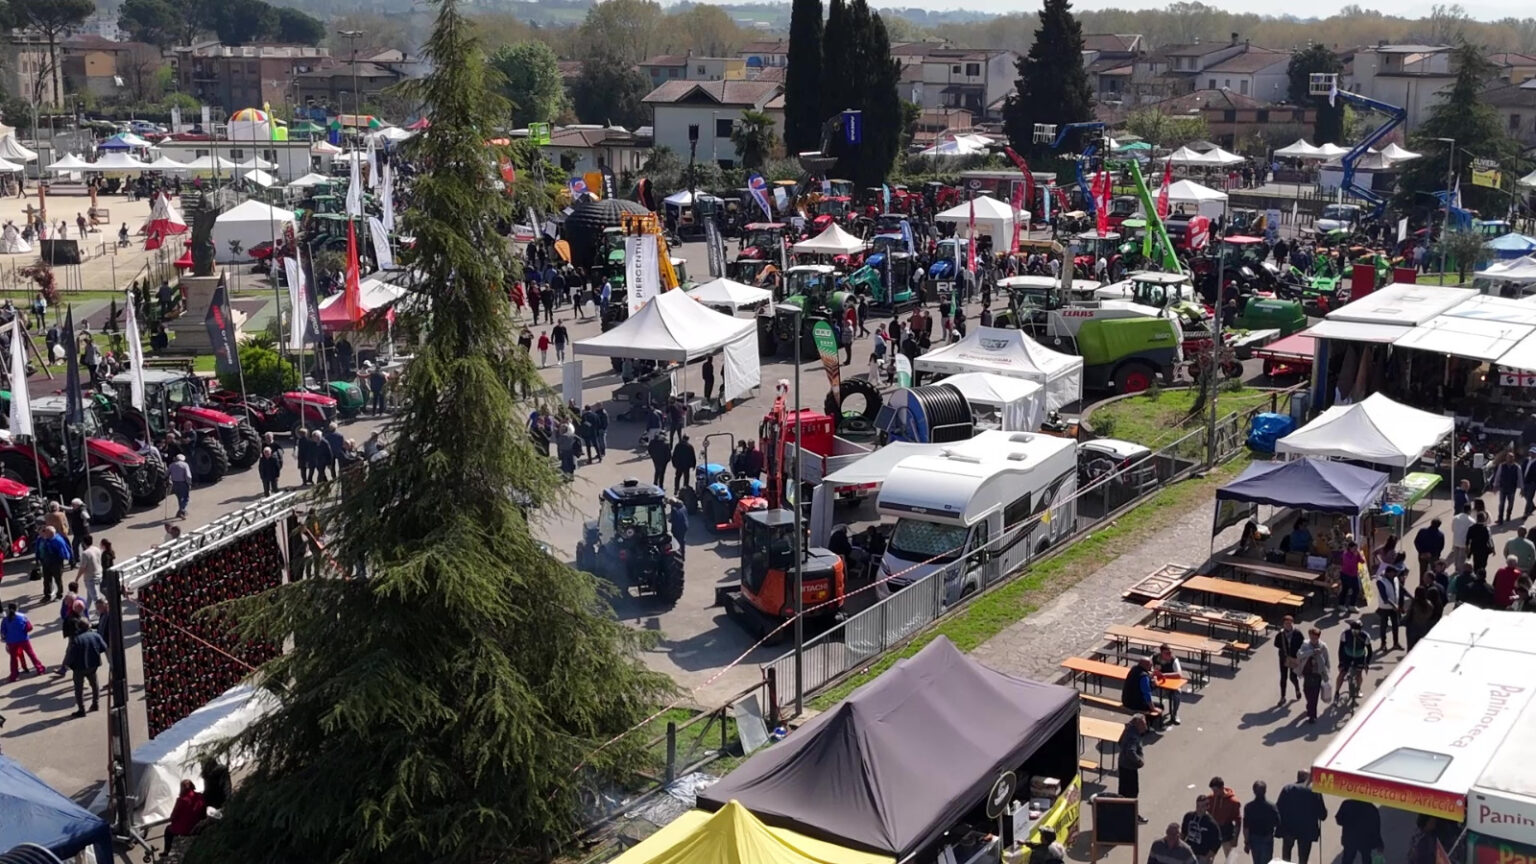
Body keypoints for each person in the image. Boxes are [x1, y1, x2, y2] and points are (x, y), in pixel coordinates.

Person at [1276, 770, 1327, 864]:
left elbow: (1278, 808)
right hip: (1306, 830)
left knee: (1286, 856)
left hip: (1289, 828)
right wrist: (1322, 815)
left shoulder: (1287, 789)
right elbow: (1322, 814)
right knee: (1303, 858)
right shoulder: (1314, 791)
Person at [64, 612, 106, 716]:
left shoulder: (76, 639)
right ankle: (95, 704)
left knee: (79, 689)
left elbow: (71, 654)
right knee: (94, 684)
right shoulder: (96, 635)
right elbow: (103, 647)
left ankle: (81, 710)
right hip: (93, 665)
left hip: (79, 667)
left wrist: (67, 664)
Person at [2, 603, 45, 680]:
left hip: (11, 641)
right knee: (31, 654)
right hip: (23, 639)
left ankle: (14, 675)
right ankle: (40, 669)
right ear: (17, 608)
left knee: (13, 658)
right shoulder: (23, 616)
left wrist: (7, 638)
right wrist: (23, 632)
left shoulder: (5, 620)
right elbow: (29, 627)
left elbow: (3, 632)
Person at [1296, 627, 1331, 723]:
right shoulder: (1305, 644)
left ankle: (1312, 715)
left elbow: (1327, 661)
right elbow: (1299, 655)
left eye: (1314, 638)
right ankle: (1309, 706)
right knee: (1307, 691)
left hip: (1317, 673)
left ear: (1318, 637)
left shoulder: (1323, 646)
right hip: (1307, 672)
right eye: (1311, 637)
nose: (1313, 639)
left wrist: (1326, 673)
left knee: (1314, 695)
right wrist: (1311, 652)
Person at [1242, 781, 1280, 864]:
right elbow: (1277, 822)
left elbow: (1246, 827)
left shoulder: (1249, 807)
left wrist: (1246, 842)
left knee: (1257, 861)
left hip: (1254, 838)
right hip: (1267, 837)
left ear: (1254, 791)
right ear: (1265, 791)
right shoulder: (1271, 806)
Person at [1336, 798, 1383, 864]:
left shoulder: (1347, 804)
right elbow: (1376, 827)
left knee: (1347, 859)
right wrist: (1379, 843)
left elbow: (1339, 819)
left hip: (1350, 838)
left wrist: (1348, 822)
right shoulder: (1371, 808)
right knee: (1366, 858)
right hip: (1365, 840)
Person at [165, 779, 207, 853]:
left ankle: (166, 851)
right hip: (198, 825)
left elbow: (173, 816)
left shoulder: (181, 800)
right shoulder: (199, 796)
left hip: (186, 829)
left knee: (168, 830)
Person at [1117, 714, 1148, 813]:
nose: (1146, 726)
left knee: (1123, 792)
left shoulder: (1128, 730)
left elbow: (1120, 742)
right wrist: (1139, 761)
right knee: (1132, 792)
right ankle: (1132, 815)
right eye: (1143, 724)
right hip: (1129, 768)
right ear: (1138, 724)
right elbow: (1131, 751)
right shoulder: (1134, 737)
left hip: (1122, 765)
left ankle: (1121, 812)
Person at [1121, 655, 1162, 727]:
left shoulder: (1133, 669)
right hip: (1136, 704)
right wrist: (1153, 708)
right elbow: (1147, 693)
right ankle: (1147, 725)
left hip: (1125, 701)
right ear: (1146, 665)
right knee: (1160, 706)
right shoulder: (1144, 677)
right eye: (1150, 665)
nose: (1151, 667)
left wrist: (1151, 676)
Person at [1207, 778, 1243, 859]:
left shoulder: (1233, 802)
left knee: (1230, 858)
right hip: (1212, 831)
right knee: (1208, 857)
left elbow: (1238, 821)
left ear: (1222, 787)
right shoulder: (1210, 798)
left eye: (1215, 790)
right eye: (1213, 790)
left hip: (1226, 832)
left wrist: (1235, 838)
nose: (1214, 793)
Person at [1335, 618, 1373, 694]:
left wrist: (1367, 663)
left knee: (1359, 674)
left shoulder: (1365, 636)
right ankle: (1337, 692)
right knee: (1342, 673)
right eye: (1353, 630)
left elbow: (1370, 651)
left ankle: (1358, 688)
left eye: (1357, 630)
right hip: (1347, 656)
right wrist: (1341, 662)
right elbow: (1341, 648)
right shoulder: (1345, 634)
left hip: (1359, 657)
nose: (1355, 632)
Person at [1374, 562, 1405, 650]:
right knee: (1383, 626)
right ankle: (1383, 644)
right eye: (1394, 573)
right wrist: (1394, 605)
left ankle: (1396, 643)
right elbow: (1384, 597)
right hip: (1385, 607)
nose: (1396, 574)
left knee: (1395, 625)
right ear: (1388, 573)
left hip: (1394, 607)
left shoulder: (1395, 579)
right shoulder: (1380, 581)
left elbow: (1401, 589)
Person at [1182, 796, 1223, 864]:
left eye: (1202, 806)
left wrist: (1208, 857)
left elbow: (1217, 842)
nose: (1199, 809)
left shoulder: (1211, 823)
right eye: (1198, 806)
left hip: (1202, 855)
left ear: (1207, 807)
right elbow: (1183, 834)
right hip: (1189, 853)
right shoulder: (1188, 817)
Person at [37, 525, 72, 603]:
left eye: (46, 532)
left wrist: (67, 559)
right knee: (46, 580)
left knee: (58, 579)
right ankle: (47, 595)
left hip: (56, 563)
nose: (44, 534)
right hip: (46, 562)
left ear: (50, 534)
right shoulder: (43, 539)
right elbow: (39, 549)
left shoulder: (57, 541)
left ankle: (59, 595)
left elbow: (64, 552)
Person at [1274, 614, 1303, 703]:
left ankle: (1297, 689)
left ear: (1292, 623)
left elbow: (1302, 644)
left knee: (1293, 676)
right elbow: (1276, 644)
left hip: (1294, 658)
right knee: (1283, 677)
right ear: (1283, 624)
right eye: (1286, 623)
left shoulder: (1297, 633)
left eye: (1290, 623)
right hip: (1284, 658)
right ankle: (1283, 697)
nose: (1288, 625)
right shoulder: (1280, 634)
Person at [1154, 643, 1183, 725]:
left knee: (1177, 694)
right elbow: (1149, 669)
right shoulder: (1154, 658)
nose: (1169, 654)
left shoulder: (1174, 660)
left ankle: (1174, 714)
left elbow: (1179, 674)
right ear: (1161, 653)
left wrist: (1164, 675)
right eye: (1167, 653)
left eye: (1170, 652)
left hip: (1171, 686)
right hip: (1159, 684)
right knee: (1144, 688)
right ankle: (1149, 712)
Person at [1338, 538, 1365, 611]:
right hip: (1345, 574)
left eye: (1356, 548)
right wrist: (1355, 556)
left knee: (1356, 589)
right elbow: (1349, 564)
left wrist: (1359, 556)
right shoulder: (1346, 554)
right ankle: (1341, 604)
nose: (1356, 549)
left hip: (1354, 574)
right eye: (1354, 548)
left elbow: (1362, 561)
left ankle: (1351, 605)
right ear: (1350, 548)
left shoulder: (1356, 553)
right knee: (1345, 589)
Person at [1497, 449, 1522, 522]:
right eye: (1508, 457)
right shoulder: (1502, 466)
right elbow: (1498, 476)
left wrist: (1522, 488)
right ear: (1506, 458)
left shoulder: (1517, 467)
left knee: (1510, 504)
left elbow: (1520, 478)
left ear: (1513, 458)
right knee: (1501, 504)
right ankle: (1500, 518)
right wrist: (1495, 485)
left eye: (1511, 457)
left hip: (1512, 488)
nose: (1509, 459)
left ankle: (1508, 516)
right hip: (1503, 488)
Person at [76, 537, 102, 607]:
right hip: (98, 575)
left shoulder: (85, 553)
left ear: (84, 544)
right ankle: (86, 610)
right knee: (90, 597)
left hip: (90, 578)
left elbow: (82, 568)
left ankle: (102, 613)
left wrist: (77, 579)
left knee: (96, 598)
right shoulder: (97, 549)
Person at [1469, 510, 1495, 575]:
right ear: (1484, 519)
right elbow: (1490, 540)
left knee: (1476, 563)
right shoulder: (1486, 529)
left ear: (1477, 519)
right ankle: (1481, 574)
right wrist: (1493, 549)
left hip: (1475, 549)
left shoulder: (1472, 528)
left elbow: (1469, 540)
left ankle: (1476, 574)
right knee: (1483, 564)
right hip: (1484, 550)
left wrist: (1469, 550)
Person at [168, 453, 192, 519]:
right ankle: (182, 511)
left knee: (179, 498)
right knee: (186, 498)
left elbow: (166, 474)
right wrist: (189, 483)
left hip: (175, 484)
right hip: (183, 483)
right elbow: (188, 476)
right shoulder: (185, 465)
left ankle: (180, 511)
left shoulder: (171, 465)